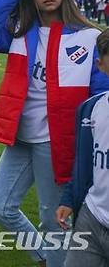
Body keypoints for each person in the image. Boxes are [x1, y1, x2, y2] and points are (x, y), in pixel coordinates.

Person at [0, 0, 109, 267]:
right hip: (20, 137)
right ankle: (46, 256)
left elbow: (101, 96)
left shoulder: (88, 37)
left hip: (56, 141)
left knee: (52, 220)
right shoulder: (19, 32)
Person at [56, 28, 109, 266]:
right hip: (92, 217)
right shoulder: (90, 109)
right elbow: (84, 161)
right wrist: (68, 198)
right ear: (100, 65)